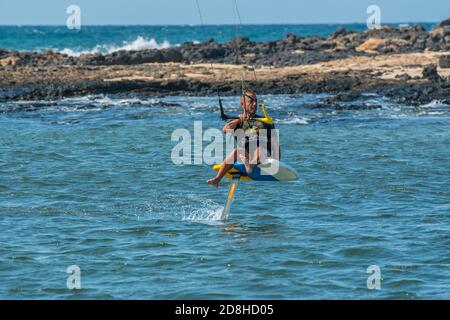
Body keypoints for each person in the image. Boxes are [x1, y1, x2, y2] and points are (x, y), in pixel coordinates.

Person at [207, 91, 280, 188]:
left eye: (256, 101)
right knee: (236, 151)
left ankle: (250, 165)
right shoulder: (237, 121)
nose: (254, 104)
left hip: (264, 154)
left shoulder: (265, 121)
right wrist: (238, 119)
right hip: (245, 154)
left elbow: (275, 143)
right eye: (251, 101)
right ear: (243, 104)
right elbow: (225, 130)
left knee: (260, 149)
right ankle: (217, 179)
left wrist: (278, 162)